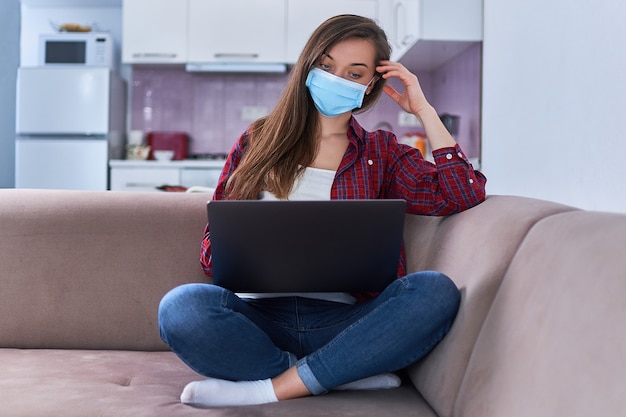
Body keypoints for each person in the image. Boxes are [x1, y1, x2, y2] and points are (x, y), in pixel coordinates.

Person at [158, 14, 487, 408]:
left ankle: (272, 388)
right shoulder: (256, 140)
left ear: (371, 86)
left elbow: (461, 194)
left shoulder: (380, 152)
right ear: (308, 67)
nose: (335, 79)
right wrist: (247, 247)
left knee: (434, 291)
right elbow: (211, 252)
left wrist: (425, 111)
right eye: (327, 66)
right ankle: (335, 374)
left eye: (354, 72)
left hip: (345, 324)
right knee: (181, 307)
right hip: (259, 321)